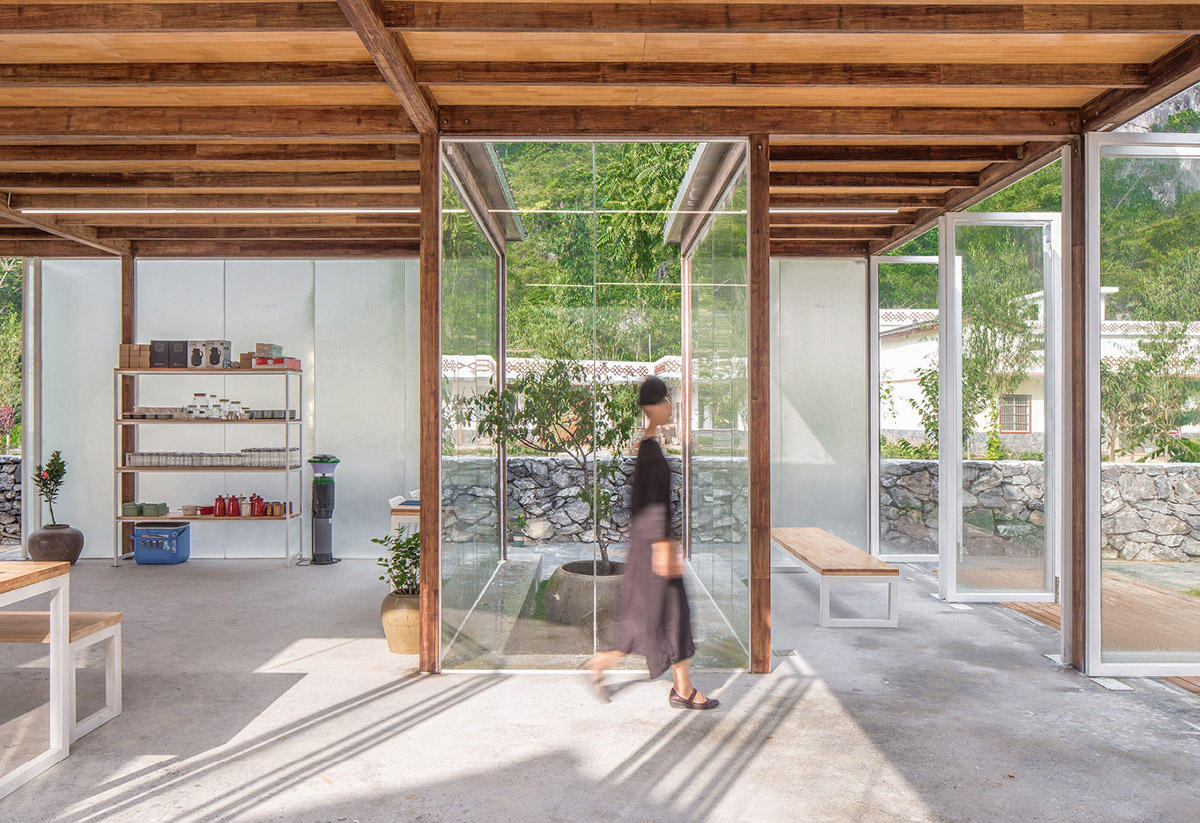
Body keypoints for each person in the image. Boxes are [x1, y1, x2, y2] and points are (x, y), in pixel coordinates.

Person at [585, 375, 719, 710]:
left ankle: (680, 688)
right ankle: (677, 688)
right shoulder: (648, 448)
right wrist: (662, 545)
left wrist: (665, 542)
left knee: (661, 616)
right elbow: (646, 502)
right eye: (665, 400)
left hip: (653, 544)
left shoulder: (650, 444)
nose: (670, 406)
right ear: (651, 406)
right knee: (665, 615)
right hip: (653, 547)